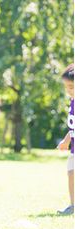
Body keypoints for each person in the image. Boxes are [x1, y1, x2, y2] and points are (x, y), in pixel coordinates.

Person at [57, 63, 74, 215]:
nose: (69, 91)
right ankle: (72, 205)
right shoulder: (72, 101)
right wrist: (66, 140)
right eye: (67, 87)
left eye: (72, 87)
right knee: (71, 173)